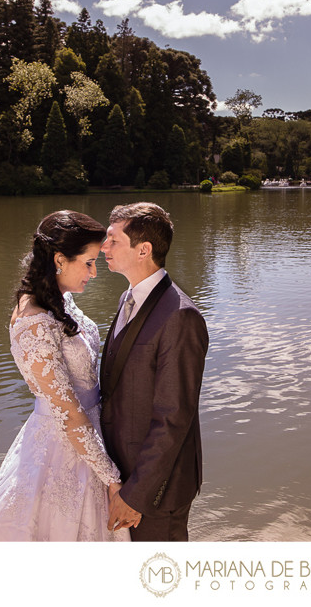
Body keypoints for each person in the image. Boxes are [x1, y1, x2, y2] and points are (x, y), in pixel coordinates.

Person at [0, 210, 129, 541]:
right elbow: (68, 415)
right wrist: (113, 479)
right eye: (88, 263)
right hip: (63, 448)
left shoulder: (59, 299)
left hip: (91, 435)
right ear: (59, 259)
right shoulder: (34, 324)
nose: (94, 273)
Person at [99, 202, 208, 541]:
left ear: (143, 250)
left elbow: (173, 418)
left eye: (113, 240)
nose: (103, 247)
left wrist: (136, 495)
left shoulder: (180, 317)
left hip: (156, 492)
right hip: (123, 476)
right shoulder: (127, 299)